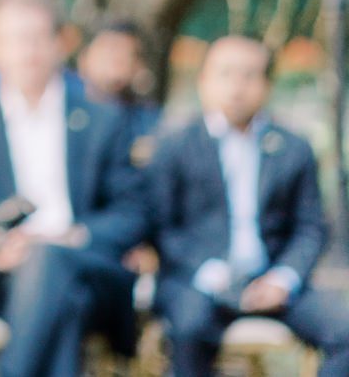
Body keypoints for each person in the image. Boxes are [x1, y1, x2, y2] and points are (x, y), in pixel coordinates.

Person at [0, 0, 146, 377]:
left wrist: (72, 236)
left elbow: (133, 214)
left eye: (38, 38)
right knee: (64, 304)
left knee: (50, 262)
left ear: (60, 43)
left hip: (89, 268)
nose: (28, 51)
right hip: (8, 281)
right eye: (15, 39)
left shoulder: (103, 118)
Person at [146, 36, 349, 376]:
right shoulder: (175, 146)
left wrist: (283, 279)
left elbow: (310, 227)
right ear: (203, 82)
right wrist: (211, 274)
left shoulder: (294, 148)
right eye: (225, 74)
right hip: (199, 280)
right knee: (188, 327)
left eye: (249, 75)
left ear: (267, 85)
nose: (237, 87)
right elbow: (162, 227)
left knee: (344, 332)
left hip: (272, 277)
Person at [78, 20, 162, 149]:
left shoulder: (147, 120)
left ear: (139, 66)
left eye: (128, 53)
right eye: (110, 49)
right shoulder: (61, 109)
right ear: (84, 58)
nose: (117, 57)